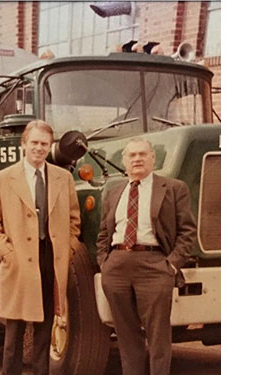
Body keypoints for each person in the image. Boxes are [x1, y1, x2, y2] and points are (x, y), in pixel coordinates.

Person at [0, 120, 80, 375]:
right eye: (34, 142)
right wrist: (7, 254)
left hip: (51, 259)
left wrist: (67, 249)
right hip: (19, 262)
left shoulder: (63, 178)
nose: (39, 148)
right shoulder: (2, 179)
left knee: (46, 327)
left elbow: (73, 220)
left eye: (44, 144)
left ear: (50, 146)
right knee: (15, 330)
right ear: (23, 144)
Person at [96, 137, 196, 375]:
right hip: (117, 267)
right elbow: (103, 233)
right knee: (126, 335)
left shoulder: (173, 188)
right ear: (125, 161)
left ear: (153, 158)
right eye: (132, 155)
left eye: (142, 154)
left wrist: (171, 265)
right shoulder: (114, 192)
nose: (137, 159)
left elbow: (187, 231)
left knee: (158, 335)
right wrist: (105, 263)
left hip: (155, 265)